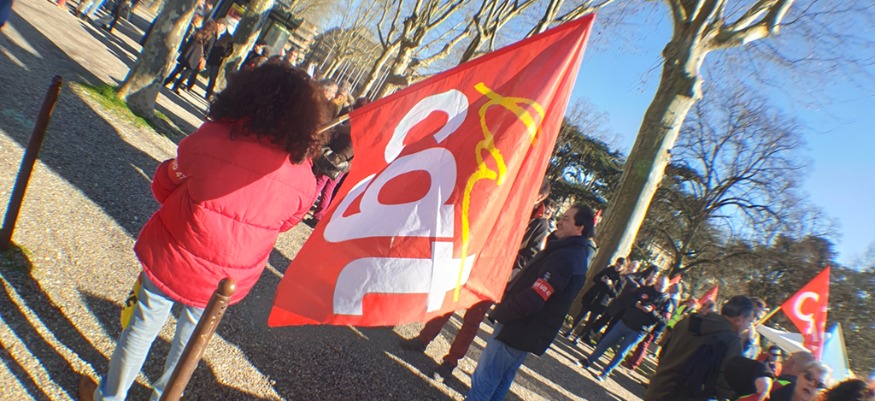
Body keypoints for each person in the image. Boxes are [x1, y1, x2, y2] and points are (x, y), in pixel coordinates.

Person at [78, 62, 329, 401]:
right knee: (190, 343)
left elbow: (166, 182)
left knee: (141, 327)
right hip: (229, 277)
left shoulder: (211, 138)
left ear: (246, 93)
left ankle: (110, 396)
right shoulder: (303, 178)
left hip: (174, 252)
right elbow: (285, 223)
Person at [400, 181, 556, 382]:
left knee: (472, 321)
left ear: (541, 197)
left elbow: (529, 257)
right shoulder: (511, 203)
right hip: (473, 263)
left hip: (493, 276)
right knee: (447, 303)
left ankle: (451, 362)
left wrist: (500, 258)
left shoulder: (539, 224)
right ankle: (423, 339)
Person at [465, 205, 596, 401]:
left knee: (486, 377)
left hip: (519, 327)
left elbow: (536, 297)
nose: (559, 221)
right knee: (502, 378)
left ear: (580, 227)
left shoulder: (566, 257)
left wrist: (503, 312)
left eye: (566, 219)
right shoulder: (570, 253)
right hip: (527, 330)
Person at [644, 295, 757, 401]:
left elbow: (664, 350)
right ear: (739, 318)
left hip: (658, 387)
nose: (748, 327)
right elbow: (725, 383)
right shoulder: (731, 341)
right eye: (749, 321)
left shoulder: (688, 320)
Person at [578, 276, 673, 382]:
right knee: (605, 342)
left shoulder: (667, 303)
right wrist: (636, 304)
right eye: (657, 284)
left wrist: (652, 312)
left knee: (621, 353)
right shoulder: (644, 289)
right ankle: (588, 361)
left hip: (639, 331)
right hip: (624, 321)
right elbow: (627, 299)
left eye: (661, 286)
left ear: (667, 286)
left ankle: (605, 373)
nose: (658, 287)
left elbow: (664, 321)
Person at [564, 257, 625, 339]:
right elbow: (595, 278)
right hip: (593, 294)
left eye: (619, 266)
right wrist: (601, 279)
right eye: (617, 265)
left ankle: (579, 337)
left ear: (623, 267)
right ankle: (571, 330)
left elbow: (615, 294)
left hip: (602, 301)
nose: (617, 267)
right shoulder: (608, 270)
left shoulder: (620, 279)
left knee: (591, 320)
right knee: (581, 314)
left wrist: (610, 285)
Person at [164, 20, 221, 95]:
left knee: (178, 68)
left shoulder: (198, 30)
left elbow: (189, 40)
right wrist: (205, 58)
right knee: (187, 71)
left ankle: (167, 81)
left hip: (188, 52)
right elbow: (208, 49)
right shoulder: (211, 37)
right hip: (196, 56)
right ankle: (176, 86)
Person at [204, 24, 234, 100]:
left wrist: (223, 55)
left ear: (224, 26)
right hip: (207, 55)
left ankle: (208, 93)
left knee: (212, 77)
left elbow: (230, 50)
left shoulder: (229, 38)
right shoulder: (213, 32)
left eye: (219, 25)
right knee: (195, 68)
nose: (218, 27)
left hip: (217, 59)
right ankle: (189, 84)